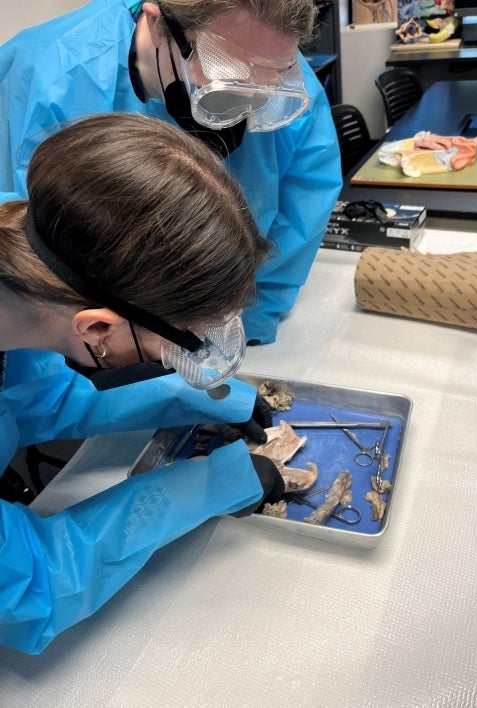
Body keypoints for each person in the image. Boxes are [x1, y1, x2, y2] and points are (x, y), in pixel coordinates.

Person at [0, 112, 285, 655]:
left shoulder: (31, 263)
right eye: (178, 349)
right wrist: (203, 487)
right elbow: (31, 589)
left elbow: (30, 400)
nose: (183, 360)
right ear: (99, 327)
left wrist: (180, 396)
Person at [0, 0, 342, 345]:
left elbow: (304, 206)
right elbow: (30, 290)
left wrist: (239, 329)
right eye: (228, 73)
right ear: (158, 22)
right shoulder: (49, 79)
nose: (248, 97)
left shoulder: (275, 61)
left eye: (268, 79)